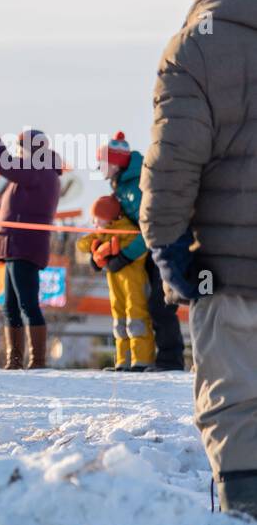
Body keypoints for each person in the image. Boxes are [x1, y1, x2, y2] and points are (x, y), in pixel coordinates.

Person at [142, 0, 257, 515]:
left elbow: (172, 162)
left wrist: (165, 246)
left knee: (234, 400)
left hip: (229, 271)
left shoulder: (192, 47)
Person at [99, 132, 185, 371]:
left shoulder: (136, 185)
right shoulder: (121, 185)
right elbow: (120, 226)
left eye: (103, 163)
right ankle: (140, 359)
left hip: (164, 246)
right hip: (146, 253)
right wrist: (101, 253)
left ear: (115, 163)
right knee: (145, 305)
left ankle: (171, 360)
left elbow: (148, 227)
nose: (99, 168)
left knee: (161, 304)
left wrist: (125, 255)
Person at [0, 129, 62, 370]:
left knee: (27, 303)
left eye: (20, 148)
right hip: (15, 244)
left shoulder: (38, 170)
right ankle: (14, 359)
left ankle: (37, 360)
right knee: (10, 305)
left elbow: (3, 165)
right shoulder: (39, 171)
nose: (17, 153)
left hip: (23, 244)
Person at [77, 196, 154, 371]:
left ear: (109, 217)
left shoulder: (126, 230)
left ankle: (141, 360)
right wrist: (95, 249)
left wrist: (118, 251)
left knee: (137, 319)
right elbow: (82, 243)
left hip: (133, 283)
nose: (94, 222)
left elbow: (140, 249)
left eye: (97, 218)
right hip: (116, 285)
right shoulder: (102, 234)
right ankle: (123, 361)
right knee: (119, 321)